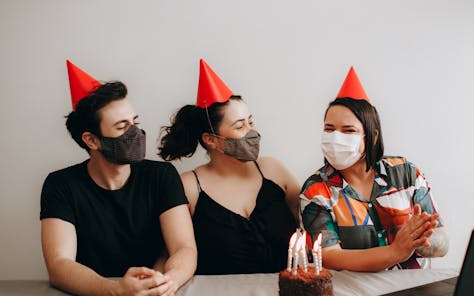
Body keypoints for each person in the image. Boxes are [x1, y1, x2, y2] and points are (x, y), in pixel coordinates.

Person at [40, 60, 197, 296]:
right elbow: (59, 265)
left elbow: (184, 248)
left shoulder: (162, 176)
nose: (135, 132)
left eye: (135, 121)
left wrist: (167, 284)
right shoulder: (61, 185)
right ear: (92, 140)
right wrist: (115, 291)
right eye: (122, 126)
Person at [158, 59, 299, 274]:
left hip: (290, 295)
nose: (251, 132)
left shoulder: (273, 170)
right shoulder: (189, 187)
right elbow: (171, 251)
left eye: (250, 122)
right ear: (211, 140)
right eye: (240, 126)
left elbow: (310, 221)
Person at [301, 67, 449, 271]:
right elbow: (328, 256)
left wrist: (421, 239)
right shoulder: (316, 190)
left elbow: (442, 242)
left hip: (414, 289)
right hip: (354, 294)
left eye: (348, 130)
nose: (336, 137)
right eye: (329, 129)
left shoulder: (406, 173)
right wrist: (395, 251)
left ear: (372, 137)